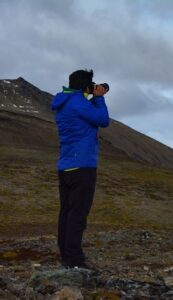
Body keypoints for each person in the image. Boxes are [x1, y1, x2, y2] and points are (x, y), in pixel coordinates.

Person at [51, 69, 109, 269]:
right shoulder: (79, 103)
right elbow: (102, 120)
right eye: (90, 84)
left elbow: (86, 117)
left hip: (66, 165)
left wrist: (91, 97)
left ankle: (66, 255)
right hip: (83, 165)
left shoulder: (65, 103)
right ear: (85, 86)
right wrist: (99, 98)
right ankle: (75, 259)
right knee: (78, 214)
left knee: (66, 212)